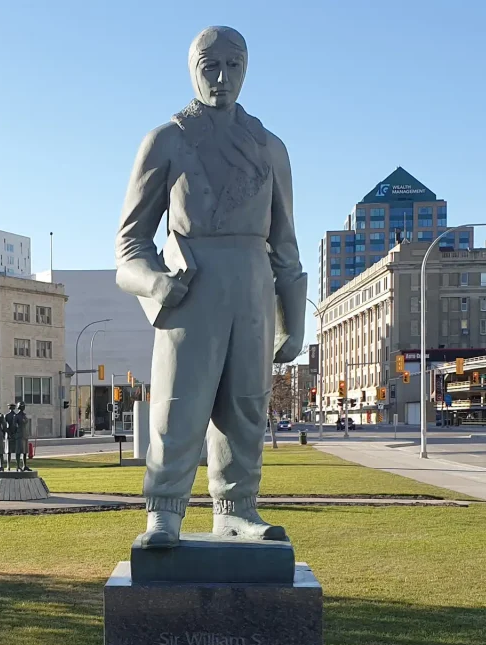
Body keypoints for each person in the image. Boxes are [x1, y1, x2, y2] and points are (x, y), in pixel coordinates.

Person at [115, 26, 306, 549]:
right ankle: (164, 513)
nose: (222, 78)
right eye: (209, 65)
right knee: (178, 408)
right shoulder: (167, 140)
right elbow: (129, 245)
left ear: (247, 69)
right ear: (191, 68)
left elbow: (285, 244)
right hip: (189, 296)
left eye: (234, 65)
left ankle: (238, 509)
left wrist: (294, 320)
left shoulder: (270, 148)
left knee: (246, 407)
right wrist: (155, 282)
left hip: (251, 294)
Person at [15, 402, 30, 471]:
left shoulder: (24, 415)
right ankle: (18, 466)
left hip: (25, 434)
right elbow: (14, 426)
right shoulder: (16, 416)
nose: (24, 407)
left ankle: (25, 465)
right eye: (22, 406)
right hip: (19, 435)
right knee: (18, 451)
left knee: (25, 451)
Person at [4, 403, 19, 472]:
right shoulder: (6, 416)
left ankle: (16, 466)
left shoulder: (16, 415)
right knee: (9, 451)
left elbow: (18, 426)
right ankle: (8, 466)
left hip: (14, 434)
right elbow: (4, 426)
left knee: (14, 451)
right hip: (10, 435)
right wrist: (9, 433)